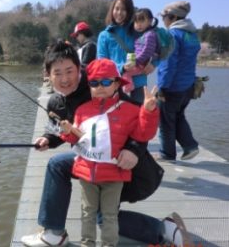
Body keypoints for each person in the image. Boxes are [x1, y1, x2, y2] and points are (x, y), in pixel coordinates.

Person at [20, 41, 189, 247]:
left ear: (79, 67)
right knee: (58, 166)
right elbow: (61, 130)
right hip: (91, 163)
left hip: (124, 164)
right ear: (48, 74)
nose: (64, 79)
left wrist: (133, 149)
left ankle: (165, 229)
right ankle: (54, 232)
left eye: (69, 71)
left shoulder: (98, 84)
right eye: (57, 73)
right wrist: (48, 138)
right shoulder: (55, 103)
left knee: (103, 217)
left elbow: (136, 118)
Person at [57, 59, 159, 247]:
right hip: (87, 173)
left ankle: (109, 244)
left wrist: (148, 111)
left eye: (106, 82)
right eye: (94, 83)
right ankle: (87, 243)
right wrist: (66, 132)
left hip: (114, 175)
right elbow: (77, 139)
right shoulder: (82, 110)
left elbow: (144, 134)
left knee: (109, 215)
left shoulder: (130, 110)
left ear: (117, 83)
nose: (100, 87)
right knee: (87, 211)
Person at [157, 1, 200, 161]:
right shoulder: (192, 35)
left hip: (172, 87)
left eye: (165, 17)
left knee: (165, 121)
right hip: (187, 86)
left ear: (173, 17)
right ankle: (190, 146)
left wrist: (162, 87)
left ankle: (167, 154)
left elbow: (168, 63)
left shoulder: (172, 35)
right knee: (178, 116)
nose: (163, 20)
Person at [98, 0, 145, 104]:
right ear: (112, 10)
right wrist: (122, 67)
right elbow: (102, 62)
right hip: (114, 84)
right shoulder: (104, 35)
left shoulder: (137, 31)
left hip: (138, 83)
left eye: (124, 9)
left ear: (129, 11)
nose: (119, 13)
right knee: (117, 118)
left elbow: (152, 49)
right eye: (117, 8)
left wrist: (153, 64)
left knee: (138, 117)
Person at [122, 8, 160, 93]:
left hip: (142, 64)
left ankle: (128, 86)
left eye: (142, 21)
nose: (138, 25)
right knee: (127, 60)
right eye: (136, 22)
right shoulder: (142, 35)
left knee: (125, 72)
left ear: (150, 21)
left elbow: (147, 51)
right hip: (139, 61)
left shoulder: (150, 35)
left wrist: (135, 61)